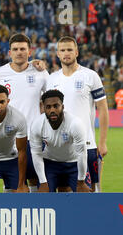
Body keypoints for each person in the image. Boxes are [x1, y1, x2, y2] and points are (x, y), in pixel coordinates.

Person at [0, 33, 49, 192]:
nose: (19, 52)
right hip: (7, 136)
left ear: (29, 52)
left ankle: (34, 212)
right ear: (9, 53)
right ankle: (14, 212)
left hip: (34, 135)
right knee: (11, 178)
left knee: (35, 177)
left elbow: (52, 99)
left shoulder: (40, 72)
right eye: (15, 49)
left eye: (23, 49)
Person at [46, 36, 109, 192]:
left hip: (87, 144)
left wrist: (102, 142)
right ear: (57, 54)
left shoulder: (90, 76)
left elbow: (103, 108)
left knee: (91, 191)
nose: (66, 53)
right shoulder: (51, 79)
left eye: (69, 50)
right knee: (64, 192)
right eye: (62, 50)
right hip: (60, 147)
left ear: (77, 52)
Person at [30, 89, 92, 193]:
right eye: (48, 107)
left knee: (85, 197)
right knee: (45, 198)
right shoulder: (37, 124)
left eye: (56, 106)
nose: (52, 110)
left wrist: (81, 182)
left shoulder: (75, 124)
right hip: (50, 164)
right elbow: (36, 153)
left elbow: (82, 153)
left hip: (74, 164)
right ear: (43, 108)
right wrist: (43, 182)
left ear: (62, 106)